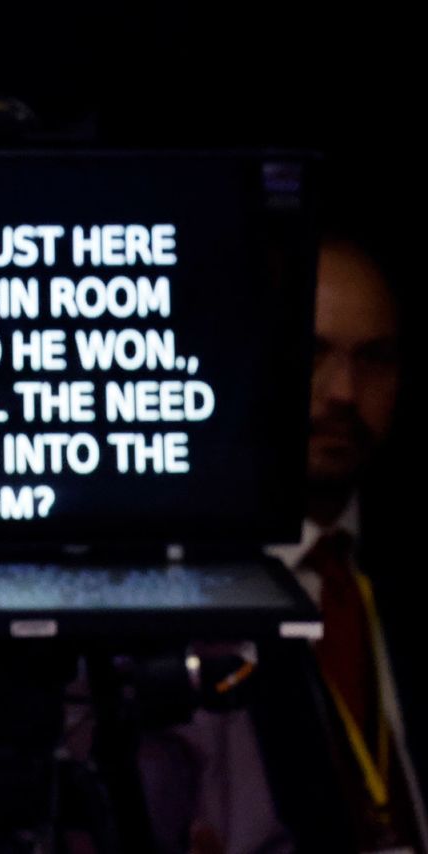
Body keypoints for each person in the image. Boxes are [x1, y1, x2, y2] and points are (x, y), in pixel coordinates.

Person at [137, 234, 426, 854]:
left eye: (374, 358)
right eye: (311, 352)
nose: (344, 391)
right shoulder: (165, 593)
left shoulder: (393, 572)